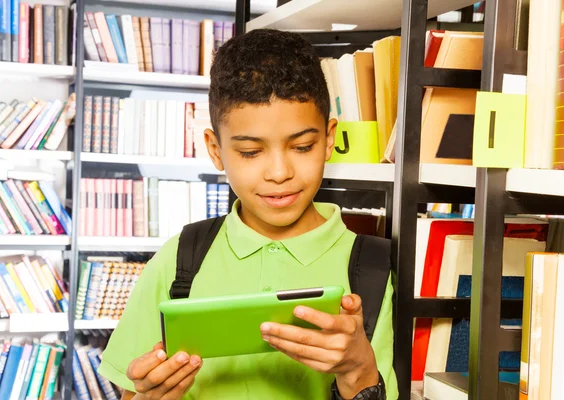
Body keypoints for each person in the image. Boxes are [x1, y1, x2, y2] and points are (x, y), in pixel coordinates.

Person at [97, 28, 398, 400]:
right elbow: (133, 393)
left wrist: (358, 369)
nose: (278, 172)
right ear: (216, 149)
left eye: (303, 146)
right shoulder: (180, 258)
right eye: (251, 152)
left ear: (329, 138)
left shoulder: (371, 269)